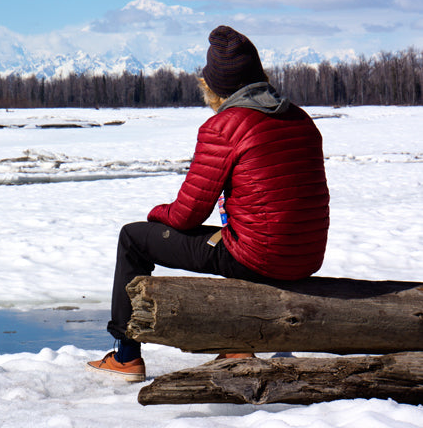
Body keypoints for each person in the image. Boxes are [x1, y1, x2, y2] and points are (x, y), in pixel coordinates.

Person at [87, 25, 330, 382]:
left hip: (260, 256)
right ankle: (237, 342)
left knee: (133, 238)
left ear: (214, 85)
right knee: (232, 237)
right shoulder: (299, 118)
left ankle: (125, 356)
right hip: (306, 255)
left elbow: (187, 215)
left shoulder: (225, 125)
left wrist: (156, 215)